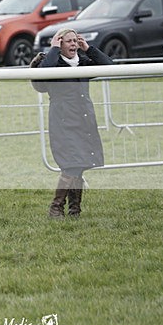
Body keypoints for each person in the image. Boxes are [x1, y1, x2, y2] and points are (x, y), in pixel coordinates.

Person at [31, 28, 113, 218]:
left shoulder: (83, 62)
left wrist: (89, 48)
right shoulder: (54, 62)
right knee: (71, 165)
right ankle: (56, 207)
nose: (73, 44)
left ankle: (74, 210)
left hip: (84, 119)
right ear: (59, 44)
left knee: (80, 163)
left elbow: (109, 65)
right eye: (68, 41)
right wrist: (52, 50)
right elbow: (43, 75)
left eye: (75, 40)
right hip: (63, 121)